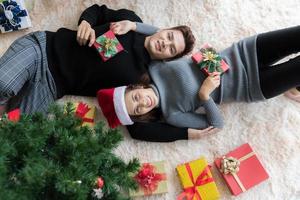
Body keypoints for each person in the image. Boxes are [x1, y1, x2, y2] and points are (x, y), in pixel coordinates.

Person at [97, 20, 300, 141]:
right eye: (138, 109)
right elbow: (216, 124)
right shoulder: (172, 115)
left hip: (243, 51)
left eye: (135, 97)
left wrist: (132, 24)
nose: (142, 102)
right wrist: (204, 95)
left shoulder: (155, 67)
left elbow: (157, 34)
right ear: (143, 115)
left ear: (135, 87)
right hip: (253, 86)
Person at [0, 4, 195, 116]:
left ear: (169, 58)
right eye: (169, 36)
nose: (165, 44)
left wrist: (187, 132)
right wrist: (86, 22)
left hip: (51, 87)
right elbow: (98, 10)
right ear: (163, 29)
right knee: (3, 84)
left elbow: (150, 113)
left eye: (171, 49)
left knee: (18, 132)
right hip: (42, 48)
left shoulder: (139, 80)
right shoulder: (130, 19)